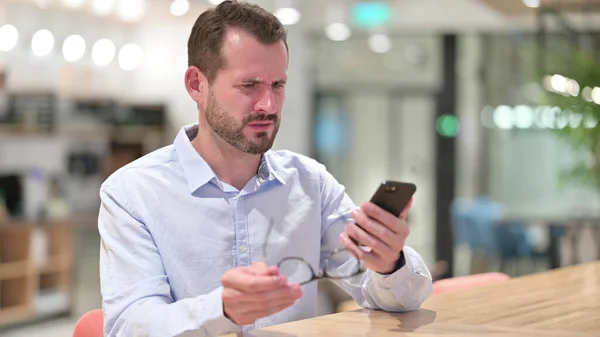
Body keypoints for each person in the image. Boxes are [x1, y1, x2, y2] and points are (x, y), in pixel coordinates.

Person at [97, 1, 433, 336]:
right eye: (249, 85)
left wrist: (390, 264)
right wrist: (221, 310)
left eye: (278, 85)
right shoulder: (132, 194)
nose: (268, 105)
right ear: (197, 85)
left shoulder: (309, 184)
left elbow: (402, 300)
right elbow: (129, 326)